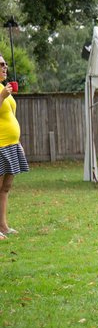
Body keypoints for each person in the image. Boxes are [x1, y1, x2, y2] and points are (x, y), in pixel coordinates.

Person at [0, 54, 29, 240]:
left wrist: (18, 142)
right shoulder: (3, 91)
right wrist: (2, 96)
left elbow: (11, 116)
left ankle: (3, 226)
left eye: (5, 64)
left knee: (5, 187)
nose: (5, 67)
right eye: (1, 64)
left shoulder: (4, 88)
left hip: (11, 145)